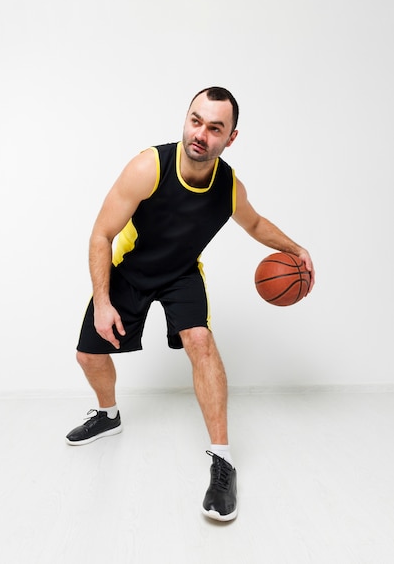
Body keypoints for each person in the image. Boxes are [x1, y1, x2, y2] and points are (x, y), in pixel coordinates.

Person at [66, 86, 315, 522]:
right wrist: (104, 302)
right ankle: (108, 415)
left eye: (215, 128)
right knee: (88, 355)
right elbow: (101, 234)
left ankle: (223, 462)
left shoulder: (228, 187)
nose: (201, 133)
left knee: (201, 342)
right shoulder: (149, 166)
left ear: (230, 137)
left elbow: (253, 222)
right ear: (186, 118)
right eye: (196, 120)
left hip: (182, 272)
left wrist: (297, 249)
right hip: (130, 267)